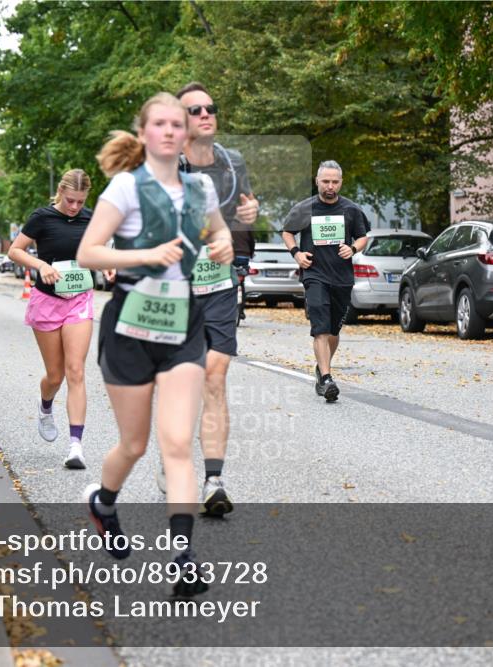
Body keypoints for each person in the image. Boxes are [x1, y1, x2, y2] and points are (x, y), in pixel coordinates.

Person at [76, 92, 234, 597]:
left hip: (181, 328)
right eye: (159, 124)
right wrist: (144, 255)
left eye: (177, 124)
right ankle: (104, 503)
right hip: (129, 329)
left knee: (176, 445)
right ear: (143, 133)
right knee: (135, 445)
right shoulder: (124, 187)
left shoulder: (201, 187)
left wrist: (224, 243)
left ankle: (183, 558)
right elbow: (88, 252)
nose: (169, 131)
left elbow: (221, 235)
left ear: (186, 135)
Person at [159, 82, 260, 516]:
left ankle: (213, 479)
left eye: (210, 108)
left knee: (214, 376)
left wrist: (246, 220)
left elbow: (241, 212)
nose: (205, 114)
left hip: (217, 284)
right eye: (194, 109)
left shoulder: (233, 162)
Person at [9, 169, 107, 470]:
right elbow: (14, 251)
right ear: (60, 192)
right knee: (56, 376)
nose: (75, 207)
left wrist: (109, 266)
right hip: (47, 301)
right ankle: (45, 406)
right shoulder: (42, 217)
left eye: (80, 201)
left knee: (75, 370)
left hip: (79, 299)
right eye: (69, 200)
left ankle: (75, 446)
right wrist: (41, 265)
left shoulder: (93, 218)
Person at [280, 160, 369, 402]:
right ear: (317, 181)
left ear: (341, 182)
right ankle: (327, 379)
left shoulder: (351, 210)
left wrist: (352, 248)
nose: (330, 186)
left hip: (341, 277)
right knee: (320, 324)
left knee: (333, 330)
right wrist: (297, 253)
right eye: (326, 181)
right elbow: (287, 232)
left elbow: (363, 238)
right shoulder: (305, 208)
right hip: (314, 274)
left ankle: (322, 369)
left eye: (335, 182)